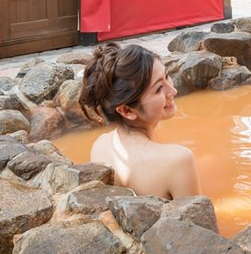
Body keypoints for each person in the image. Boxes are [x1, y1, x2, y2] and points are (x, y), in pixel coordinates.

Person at [78, 42, 200, 199]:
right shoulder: (178, 160)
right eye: (158, 89)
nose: (173, 90)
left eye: (167, 76)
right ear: (127, 110)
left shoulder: (100, 145)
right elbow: (196, 221)